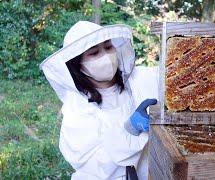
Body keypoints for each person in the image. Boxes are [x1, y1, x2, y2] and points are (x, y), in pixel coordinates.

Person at [39, 20, 159, 180]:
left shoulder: (139, 79)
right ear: (79, 64)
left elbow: (169, 74)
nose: (106, 56)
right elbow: (97, 167)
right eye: (94, 53)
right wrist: (130, 131)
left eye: (108, 47)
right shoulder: (76, 109)